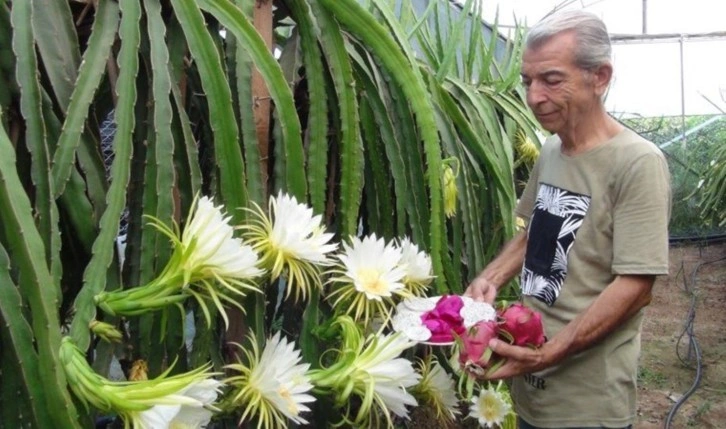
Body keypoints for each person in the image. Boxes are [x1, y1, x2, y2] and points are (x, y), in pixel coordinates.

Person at [464, 9, 671, 429]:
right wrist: (490, 278)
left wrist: (550, 351)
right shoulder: (551, 150)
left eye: (551, 80)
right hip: (533, 382)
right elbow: (531, 233)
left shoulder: (637, 163)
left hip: (587, 401)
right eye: (527, 81)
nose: (534, 96)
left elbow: (636, 286)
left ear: (600, 77)